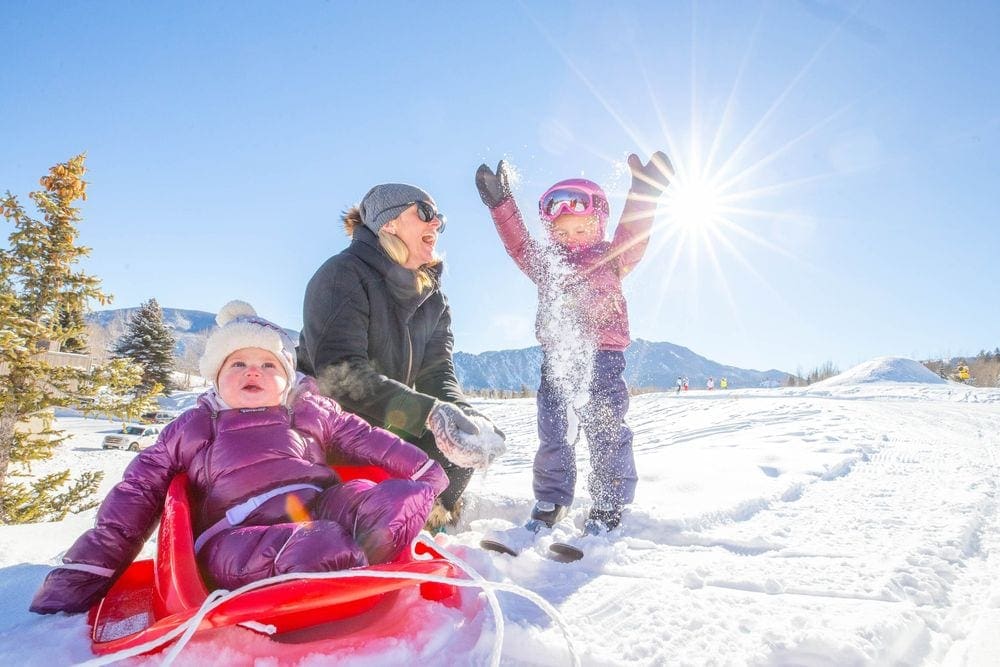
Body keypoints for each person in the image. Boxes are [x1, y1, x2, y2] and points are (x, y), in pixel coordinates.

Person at [30, 301, 449, 614]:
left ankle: (356, 548)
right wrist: (89, 571)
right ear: (215, 377)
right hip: (236, 535)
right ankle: (343, 555)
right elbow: (136, 493)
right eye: (239, 363)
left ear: (288, 379)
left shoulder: (308, 411)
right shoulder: (195, 426)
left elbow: (366, 438)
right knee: (312, 543)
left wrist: (424, 469)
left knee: (379, 494)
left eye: (269, 364)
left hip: (320, 508)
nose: (254, 372)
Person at [475, 152, 672, 534]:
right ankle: (552, 499)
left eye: (580, 230)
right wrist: (501, 205)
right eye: (562, 233)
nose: (571, 239)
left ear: (597, 225)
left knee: (605, 427)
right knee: (553, 430)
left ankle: (609, 502)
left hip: (602, 356)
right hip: (558, 358)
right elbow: (518, 246)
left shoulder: (613, 256)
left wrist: (645, 192)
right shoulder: (546, 263)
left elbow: (634, 232)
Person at [298, 184, 505, 532]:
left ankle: (429, 524)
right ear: (389, 223)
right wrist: (427, 413)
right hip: (329, 426)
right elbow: (339, 374)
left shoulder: (432, 298)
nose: (436, 222)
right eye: (424, 212)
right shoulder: (342, 275)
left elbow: (437, 372)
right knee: (434, 433)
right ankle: (365, 527)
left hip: (384, 421)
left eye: (439, 217)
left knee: (462, 443)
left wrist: (466, 417)